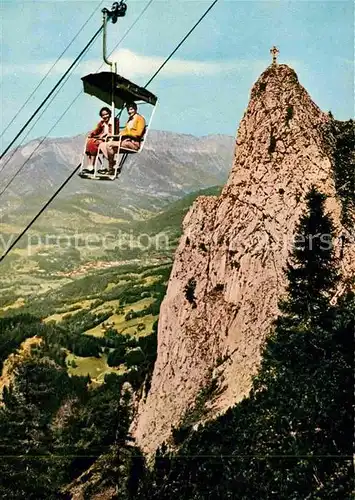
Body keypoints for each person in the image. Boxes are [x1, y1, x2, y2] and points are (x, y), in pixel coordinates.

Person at [99, 103, 146, 174]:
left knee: (109, 145)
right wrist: (118, 134)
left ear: (136, 109)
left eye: (131, 109)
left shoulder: (140, 119)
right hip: (125, 141)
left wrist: (126, 134)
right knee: (102, 145)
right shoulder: (130, 119)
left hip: (133, 143)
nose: (129, 111)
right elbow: (125, 131)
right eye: (128, 110)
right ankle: (112, 166)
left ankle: (112, 167)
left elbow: (138, 133)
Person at [83, 107, 119, 172]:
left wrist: (107, 134)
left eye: (106, 114)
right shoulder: (102, 123)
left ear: (110, 114)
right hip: (102, 138)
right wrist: (91, 134)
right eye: (103, 115)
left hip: (110, 139)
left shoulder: (114, 121)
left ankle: (111, 164)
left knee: (95, 143)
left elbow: (115, 132)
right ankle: (90, 165)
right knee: (90, 142)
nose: (105, 116)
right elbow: (96, 130)